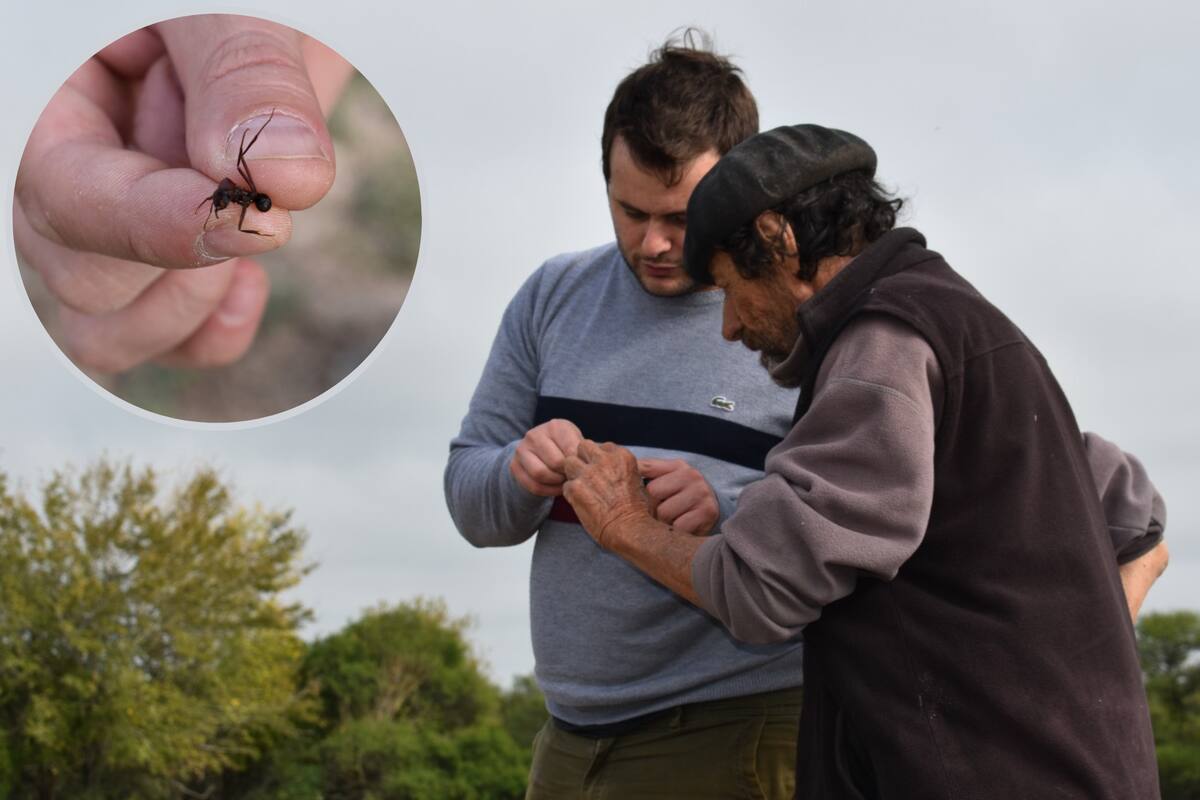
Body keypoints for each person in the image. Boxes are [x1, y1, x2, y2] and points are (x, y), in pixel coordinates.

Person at [560, 124, 1166, 798]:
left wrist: (625, 526)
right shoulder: (970, 325)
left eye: (730, 288)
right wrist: (1067, 676)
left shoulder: (883, 346)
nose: (729, 326)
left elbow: (757, 588)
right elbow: (1136, 520)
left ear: (779, 240)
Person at [444, 36, 809, 798]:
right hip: (566, 740)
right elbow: (469, 496)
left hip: (735, 728)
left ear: (743, 191)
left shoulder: (799, 317)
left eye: (680, 217)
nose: (654, 243)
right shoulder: (551, 296)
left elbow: (855, 524)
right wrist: (518, 471)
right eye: (630, 211)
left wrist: (726, 513)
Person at [14, 14, 352, 373]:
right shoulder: (235, 195)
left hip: (262, 182)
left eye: (219, 200)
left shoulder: (243, 188)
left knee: (240, 159)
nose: (220, 198)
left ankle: (265, 126)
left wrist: (266, 111)